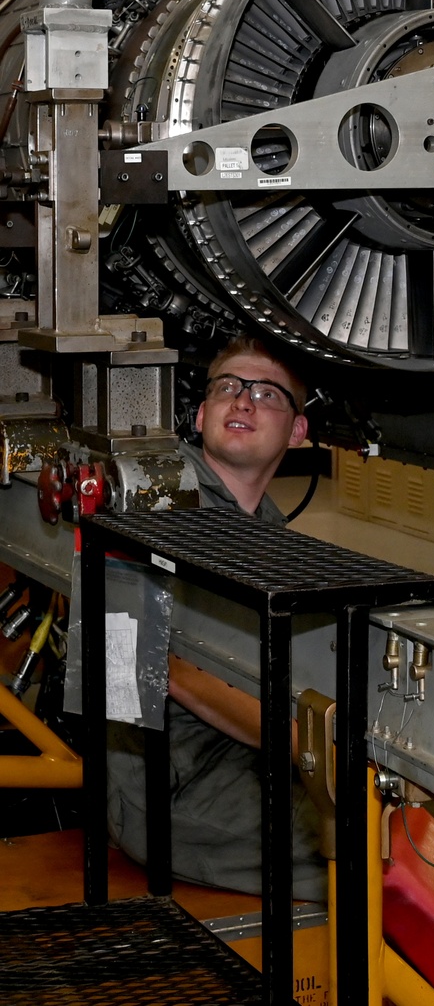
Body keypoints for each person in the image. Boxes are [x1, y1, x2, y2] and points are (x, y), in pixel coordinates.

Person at [106, 335, 328, 901]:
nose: (244, 401)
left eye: (267, 393)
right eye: (228, 387)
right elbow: (130, 668)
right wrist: (306, 742)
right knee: (374, 851)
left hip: (240, 761)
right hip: (164, 785)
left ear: (298, 431)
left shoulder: (268, 533)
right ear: (202, 414)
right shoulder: (152, 499)